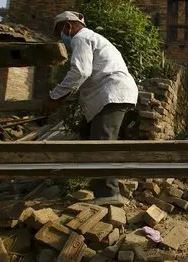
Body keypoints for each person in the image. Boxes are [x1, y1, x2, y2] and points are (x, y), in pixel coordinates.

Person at [43, 11, 139, 206]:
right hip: (109, 94)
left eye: (60, 32)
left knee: (100, 142)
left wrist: (54, 97)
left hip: (112, 93)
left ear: (68, 27)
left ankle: (109, 193)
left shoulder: (81, 38)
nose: (61, 37)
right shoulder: (93, 38)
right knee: (86, 134)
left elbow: (80, 71)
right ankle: (98, 182)